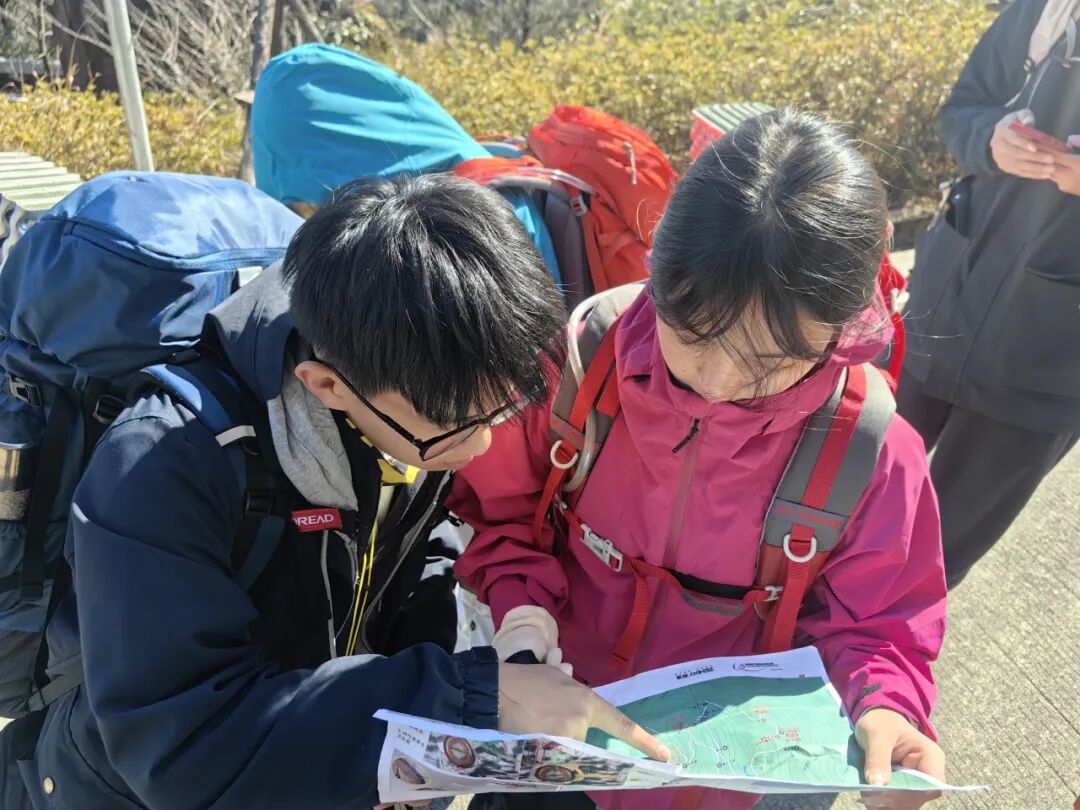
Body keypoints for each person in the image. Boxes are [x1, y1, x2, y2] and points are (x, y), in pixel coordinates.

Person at [4, 175, 668, 809]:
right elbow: (185, 750)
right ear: (326, 386)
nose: (481, 446)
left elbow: (411, 552)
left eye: (501, 412)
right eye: (459, 425)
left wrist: (454, 698)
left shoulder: (412, 390)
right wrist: (467, 700)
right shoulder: (159, 466)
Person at [450, 110, 949, 810]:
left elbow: (878, 625)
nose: (715, 384)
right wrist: (524, 629)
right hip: (557, 733)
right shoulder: (575, 369)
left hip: (723, 780)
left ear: (840, 329)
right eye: (691, 334)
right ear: (658, 271)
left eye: (769, 362)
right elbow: (501, 516)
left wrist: (885, 708)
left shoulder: (870, 453)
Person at [898, 0, 1080, 587]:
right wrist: (989, 140)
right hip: (946, 303)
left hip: (1044, 364)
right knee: (829, 497)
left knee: (932, 559)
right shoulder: (1045, 10)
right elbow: (962, 109)